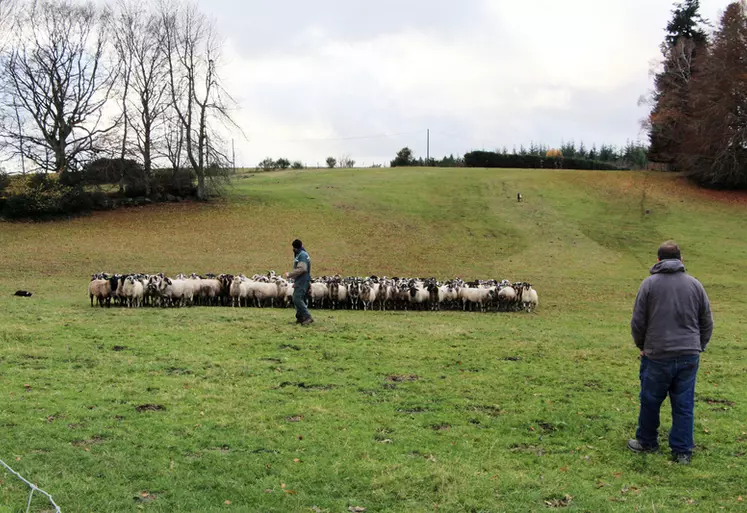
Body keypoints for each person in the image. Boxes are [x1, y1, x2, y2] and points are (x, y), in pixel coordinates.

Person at [628, 241, 713, 464]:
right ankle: (682, 451)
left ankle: (646, 441)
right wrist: (699, 345)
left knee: (650, 400)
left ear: (658, 260)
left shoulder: (648, 285)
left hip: (657, 354)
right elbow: (707, 321)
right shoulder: (696, 285)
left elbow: (638, 321)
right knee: (684, 404)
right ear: (681, 259)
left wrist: (642, 346)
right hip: (688, 354)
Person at [285, 239, 313, 325]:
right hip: (301, 280)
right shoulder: (303, 254)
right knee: (300, 298)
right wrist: (295, 281)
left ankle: (307, 317)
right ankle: (300, 318)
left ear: (295, 248)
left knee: (297, 298)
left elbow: (302, 269)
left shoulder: (302, 255)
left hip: (303, 280)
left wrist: (290, 274)